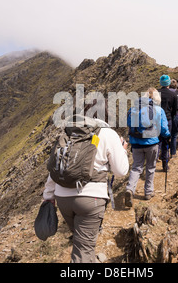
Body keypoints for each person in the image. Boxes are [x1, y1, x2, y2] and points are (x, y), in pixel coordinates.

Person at [43, 105, 129, 263]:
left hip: (62, 197)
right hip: (91, 198)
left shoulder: (71, 132)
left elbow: (58, 166)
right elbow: (121, 171)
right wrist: (123, 150)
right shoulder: (108, 133)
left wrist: (48, 196)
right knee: (83, 249)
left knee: (82, 241)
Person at [125, 88, 170, 207]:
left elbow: (129, 124)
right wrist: (167, 136)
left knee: (136, 167)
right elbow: (164, 129)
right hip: (152, 143)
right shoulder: (158, 110)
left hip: (136, 143)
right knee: (150, 167)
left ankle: (130, 189)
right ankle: (148, 192)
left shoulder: (133, 109)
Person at [158, 75, 178, 170]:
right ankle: (165, 165)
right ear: (168, 83)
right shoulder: (173, 94)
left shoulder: (156, 93)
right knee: (166, 142)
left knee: (157, 141)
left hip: (156, 120)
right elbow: (175, 109)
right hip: (168, 119)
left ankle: (154, 160)